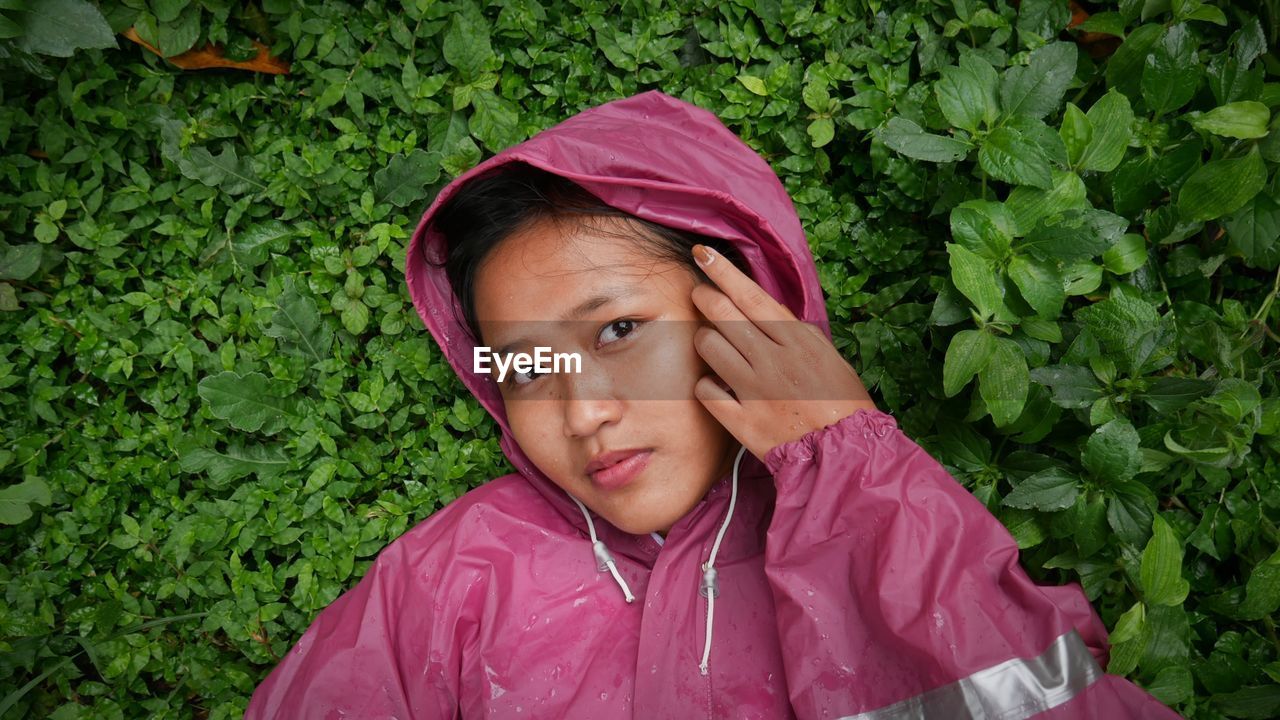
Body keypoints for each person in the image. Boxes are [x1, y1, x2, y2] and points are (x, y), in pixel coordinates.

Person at [244, 90, 1180, 719]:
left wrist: (844, 462)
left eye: (615, 333)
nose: (580, 415)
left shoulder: (884, 528)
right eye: (526, 367)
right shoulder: (452, 574)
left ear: (751, 307)